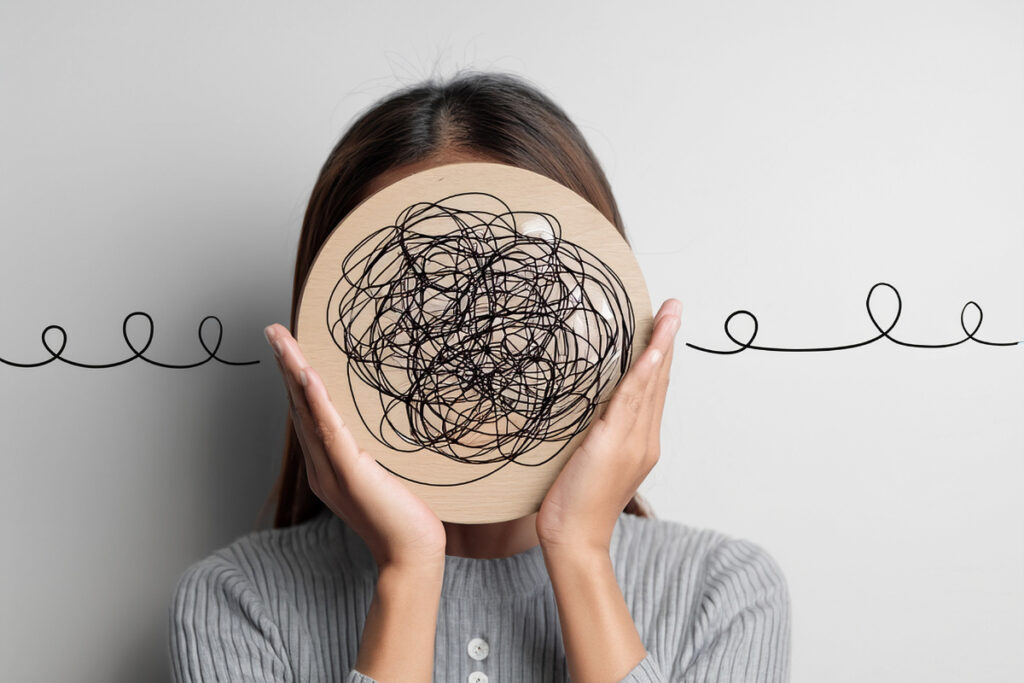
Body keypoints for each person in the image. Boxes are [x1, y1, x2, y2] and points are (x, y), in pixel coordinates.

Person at [168, 70, 791, 683]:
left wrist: (579, 553)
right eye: (414, 294)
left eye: (520, 276)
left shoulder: (725, 592)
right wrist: (408, 571)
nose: (476, 344)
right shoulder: (236, 603)